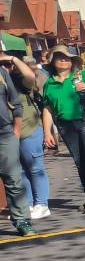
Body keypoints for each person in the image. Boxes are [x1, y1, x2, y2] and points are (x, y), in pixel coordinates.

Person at [43, 50, 85, 213]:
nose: (63, 60)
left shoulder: (83, 76)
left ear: (72, 62)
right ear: (52, 62)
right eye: (59, 58)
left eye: (67, 58)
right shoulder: (49, 84)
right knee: (80, 163)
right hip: (66, 126)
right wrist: (47, 132)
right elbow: (47, 108)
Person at [3, 53, 51, 220]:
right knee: (20, 171)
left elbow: (30, 75)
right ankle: (28, 204)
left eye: (8, 65)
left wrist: (13, 59)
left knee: (35, 168)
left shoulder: (19, 81)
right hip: (8, 134)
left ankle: (42, 204)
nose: (5, 68)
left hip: (28, 130)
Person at [0, 56, 35, 235]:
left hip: (5, 135)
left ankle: (22, 221)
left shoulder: (2, 74)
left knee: (14, 180)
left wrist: (16, 130)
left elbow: (15, 103)